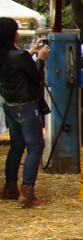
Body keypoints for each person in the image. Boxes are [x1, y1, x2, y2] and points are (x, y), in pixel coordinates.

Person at [0, 18, 50, 208]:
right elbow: (36, 77)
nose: (18, 34)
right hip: (27, 107)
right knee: (35, 146)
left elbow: (16, 63)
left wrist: (31, 52)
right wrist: (40, 60)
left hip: (10, 105)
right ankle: (27, 193)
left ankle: (10, 187)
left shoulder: (6, 55)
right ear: (11, 34)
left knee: (16, 146)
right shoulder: (19, 57)